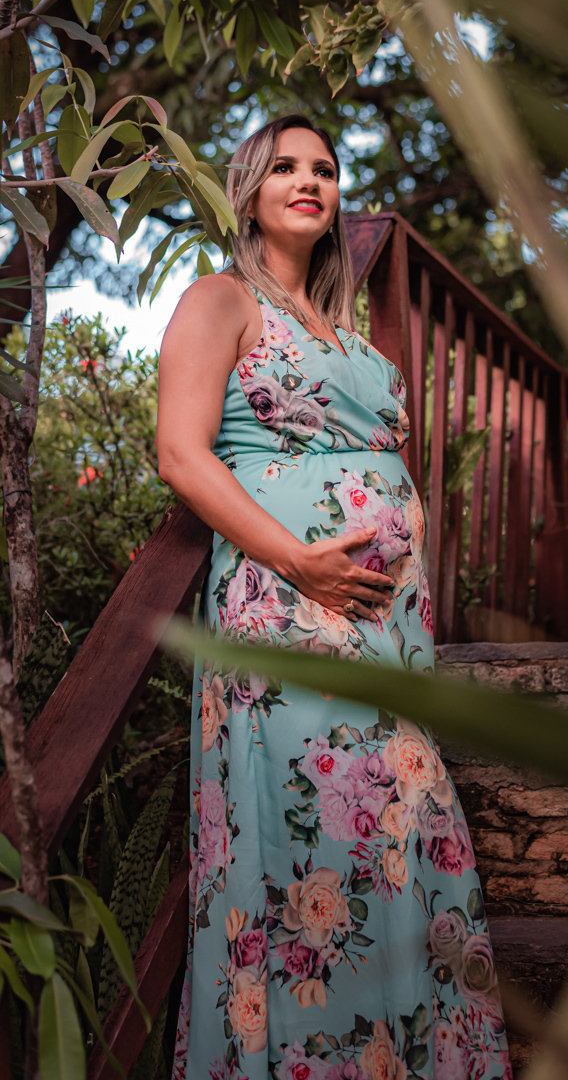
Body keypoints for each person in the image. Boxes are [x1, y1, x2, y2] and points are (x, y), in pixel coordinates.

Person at [157, 114, 511, 1080]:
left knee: (397, 828)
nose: (307, 181)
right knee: (322, 847)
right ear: (248, 190)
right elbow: (182, 454)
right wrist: (302, 561)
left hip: (384, 629)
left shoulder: (339, 327)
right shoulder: (220, 300)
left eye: (323, 168)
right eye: (284, 167)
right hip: (287, 609)